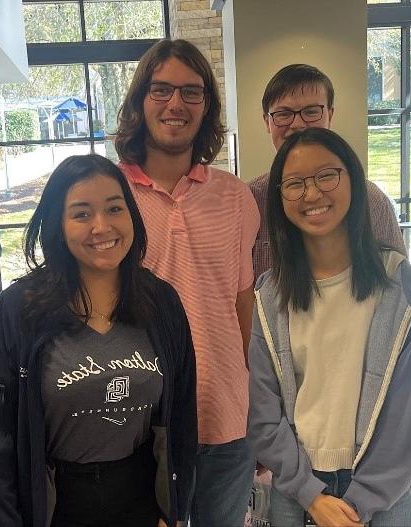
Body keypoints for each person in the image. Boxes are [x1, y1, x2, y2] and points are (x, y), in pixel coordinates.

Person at [0, 154, 197, 527]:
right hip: (57, 503)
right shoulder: (19, 310)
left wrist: (172, 511)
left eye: (114, 209)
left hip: (141, 498)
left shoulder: (161, 302)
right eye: (81, 214)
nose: (101, 226)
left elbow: (182, 416)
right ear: (58, 225)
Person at [248, 128, 411, 526]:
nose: (311, 193)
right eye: (294, 183)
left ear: (353, 181)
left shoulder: (401, 289)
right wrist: (312, 496)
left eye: (327, 175)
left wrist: (360, 502)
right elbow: (263, 411)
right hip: (297, 494)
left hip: (382, 496)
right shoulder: (271, 295)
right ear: (279, 198)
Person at [115, 38, 260, 527]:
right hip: (141, 422)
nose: (176, 104)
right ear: (140, 102)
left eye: (191, 92)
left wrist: (257, 409)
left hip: (226, 419)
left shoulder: (236, 198)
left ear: (207, 106)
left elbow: (242, 306)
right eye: (161, 90)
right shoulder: (110, 198)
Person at [250, 63, 406, 281]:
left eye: (311, 111)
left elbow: (399, 288)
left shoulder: (371, 201)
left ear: (329, 115)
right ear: (267, 122)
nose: (297, 124)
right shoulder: (249, 202)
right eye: (283, 114)